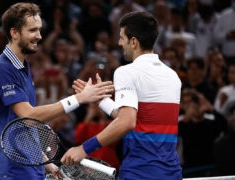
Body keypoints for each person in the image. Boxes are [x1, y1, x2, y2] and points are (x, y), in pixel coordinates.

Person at [0, 2, 114, 180]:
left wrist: (50, 166)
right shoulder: (2, 68)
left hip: (33, 169)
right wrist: (79, 98)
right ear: (14, 32)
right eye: (32, 30)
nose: (38, 36)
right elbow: (28, 117)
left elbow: (24, 131)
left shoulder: (22, 65)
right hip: (14, 170)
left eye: (39, 29)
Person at [60, 11, 182, 180]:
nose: (119, 42)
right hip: (171, 173)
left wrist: (83, 149)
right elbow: (139, 121)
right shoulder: (172, 76)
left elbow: (127, 122)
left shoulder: (126, 72)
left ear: (133, 42)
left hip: (140, 173)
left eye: (122, 37)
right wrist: (100, 100)